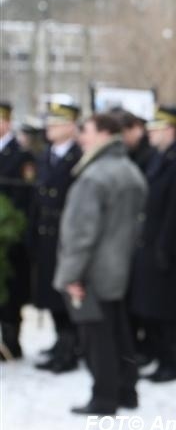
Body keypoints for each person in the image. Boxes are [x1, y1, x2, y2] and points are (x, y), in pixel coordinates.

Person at [52, 113, 147, 414]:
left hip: (93, 270)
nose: (81, 136)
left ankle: (104, 397)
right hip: (120, 267)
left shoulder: (94, 176)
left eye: (87, 131)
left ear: (106, 133)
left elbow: (81, 234)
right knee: (118, 331)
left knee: (97, 337)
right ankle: (126, 392)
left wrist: (70, 276)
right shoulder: (129, 170)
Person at [128, 105, 176, 382]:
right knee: (154, 304)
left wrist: (166, 248)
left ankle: (174, 360)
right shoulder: (158, 159)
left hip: (171, 248)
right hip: (153, 244)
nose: (150, 133)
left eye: (156, 128)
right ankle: (160, 355)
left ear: (170, 130)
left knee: (170, 308)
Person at [30, 101, 83, 373]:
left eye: (57, 123)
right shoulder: (46, 154)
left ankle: (69, 349)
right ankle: (59, 342)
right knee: (50, 293)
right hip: (45, 235)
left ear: (72, 126)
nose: (50, 128)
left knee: (65, 296)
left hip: (66, 236)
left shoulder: (79, 156)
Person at [0, 101, 36, 361]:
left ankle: (11, 344)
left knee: (10, 296)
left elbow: (25, 200)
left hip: (9, 238)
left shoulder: (22, 156)